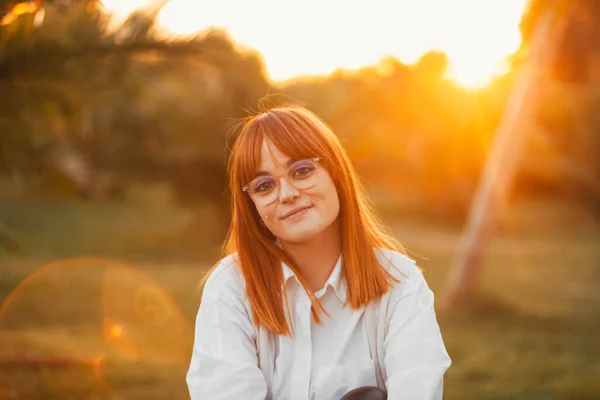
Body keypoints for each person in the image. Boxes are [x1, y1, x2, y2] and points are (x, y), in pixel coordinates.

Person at [186, 106, 451, 400]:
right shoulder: (231, 287)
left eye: (301, 171)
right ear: (254, 208)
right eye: (264, 186)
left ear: (335, 173)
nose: (287, 194)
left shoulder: (400, 283)